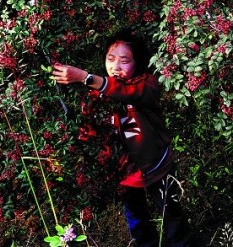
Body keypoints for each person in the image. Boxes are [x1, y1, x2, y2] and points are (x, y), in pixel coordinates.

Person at [52, 29, 193, 247]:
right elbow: (91, 132)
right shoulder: (96, 95)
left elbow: (126, 93)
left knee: (170, 210)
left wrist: (84, 77)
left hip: (156, 164)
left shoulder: (146, 85)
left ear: (137, 63)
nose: (115, 66)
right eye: (111, 59)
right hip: (125, 172)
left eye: (124, 60)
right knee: (136, 217)